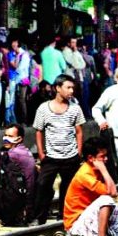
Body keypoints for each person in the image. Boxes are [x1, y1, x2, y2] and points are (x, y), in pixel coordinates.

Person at [32, 74, 85, 225]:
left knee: (68, 187)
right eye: (68, 87)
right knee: (42, 184)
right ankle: (39, 217)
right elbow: (38, 131)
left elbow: (79, 131)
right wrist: (41, 153)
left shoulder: (75, 108)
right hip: (51, 156)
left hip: (70, 155)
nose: (71, 91)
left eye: (72, 88)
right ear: (58, 88)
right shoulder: (44, 108)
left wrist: (78, 152)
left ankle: (64, 215)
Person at [64, 138, 118, 236]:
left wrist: (102, 168)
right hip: (76, 223)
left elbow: (114, 193)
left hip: (89, 217)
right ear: (91, 158)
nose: (106, 159)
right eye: (102, 157)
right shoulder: (85, 174)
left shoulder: (95, 170)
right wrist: (104, 169)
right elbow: (113, 192)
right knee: (106, 200)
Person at [1, 123, 37, 222]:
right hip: (30, 194)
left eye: (10, 136)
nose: (6, 139)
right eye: (5, 135)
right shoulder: (24, 150)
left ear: (19, 139)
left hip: (23, 196)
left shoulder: (13, 153)